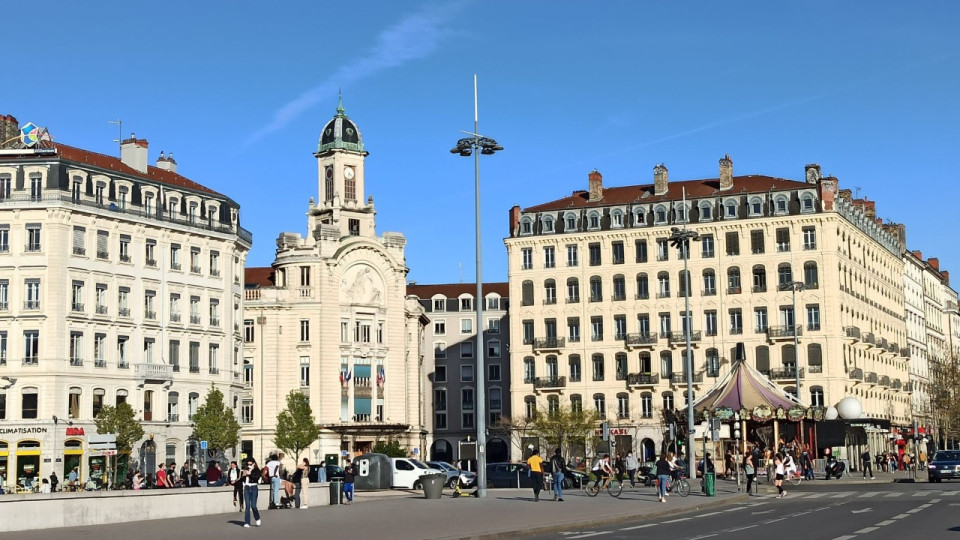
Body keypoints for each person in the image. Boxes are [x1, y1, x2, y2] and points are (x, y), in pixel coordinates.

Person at [241, 458, 262, 528]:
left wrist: (250, 474)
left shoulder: (257, 470)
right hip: (246, 488)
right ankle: (247, 522)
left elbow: (256, 478)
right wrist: (243, 476)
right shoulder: (245, 470)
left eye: (250, 464)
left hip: (254, 488)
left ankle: (257, 517)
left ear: (254, 463)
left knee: (253, 505)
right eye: (248, 464)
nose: (249, 465)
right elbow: (241, 479)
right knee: (247, 506)